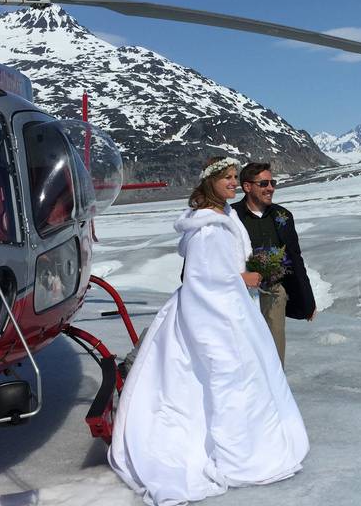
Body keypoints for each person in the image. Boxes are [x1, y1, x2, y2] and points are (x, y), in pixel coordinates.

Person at [109, 156, 309, 506]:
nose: (233, 183)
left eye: (235, 177)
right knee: (224, 376)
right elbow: (201, 279)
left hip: (231, 308)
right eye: (227, 178)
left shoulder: (224, 216)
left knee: (247, 376)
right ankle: (229, 451)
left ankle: (247, 442)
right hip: (215, 315)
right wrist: (242, 279)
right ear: (210, 182)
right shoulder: (206, 228)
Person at [233, 162, 316, 366]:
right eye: (263, 183)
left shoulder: (283, 216)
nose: (270, 188)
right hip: (239, 293)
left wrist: (308, 299)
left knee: (275, 344)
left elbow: (296, 258)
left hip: (274, 290)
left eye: (273, 183)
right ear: (247, 186)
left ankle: (276, 386)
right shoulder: (231, 215)